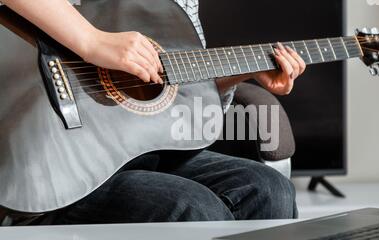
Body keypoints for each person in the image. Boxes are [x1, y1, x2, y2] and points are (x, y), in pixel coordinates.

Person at [1, 0, 306, 224]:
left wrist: (244, 72)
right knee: (193, 208)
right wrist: (92, 41)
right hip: (51, 161)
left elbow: (176, 81)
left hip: (131, 150)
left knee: (269, 189)